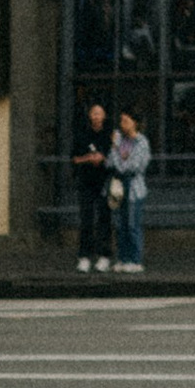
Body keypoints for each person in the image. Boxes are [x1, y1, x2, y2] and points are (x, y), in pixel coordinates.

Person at [72, 100, 112, 270]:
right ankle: (84, 256)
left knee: (104, 219)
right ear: (89, 115)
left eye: (99, 113)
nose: (96, 116)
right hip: (86, 181)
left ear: (104, 116)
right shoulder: (83, 135)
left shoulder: (109, 135)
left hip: (104, 182)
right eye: (94, 113)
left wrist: (103, 158)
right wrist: (88, 158)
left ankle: (104, 256)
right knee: (86, 219)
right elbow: (75, 159)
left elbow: (116, 158)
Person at [109, 109, 151, 270]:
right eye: (121, 121)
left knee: (132, 223)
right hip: (119, 186)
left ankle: (135, 260)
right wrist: (117, 152)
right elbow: (110, 163)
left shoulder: (141, 142)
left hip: (134, 187)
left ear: (135, 123)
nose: (122, 125)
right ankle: (123, 258)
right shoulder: (120, 140)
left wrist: (120, 158)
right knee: (121, 224)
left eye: (126, 121)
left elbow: (133, 166)